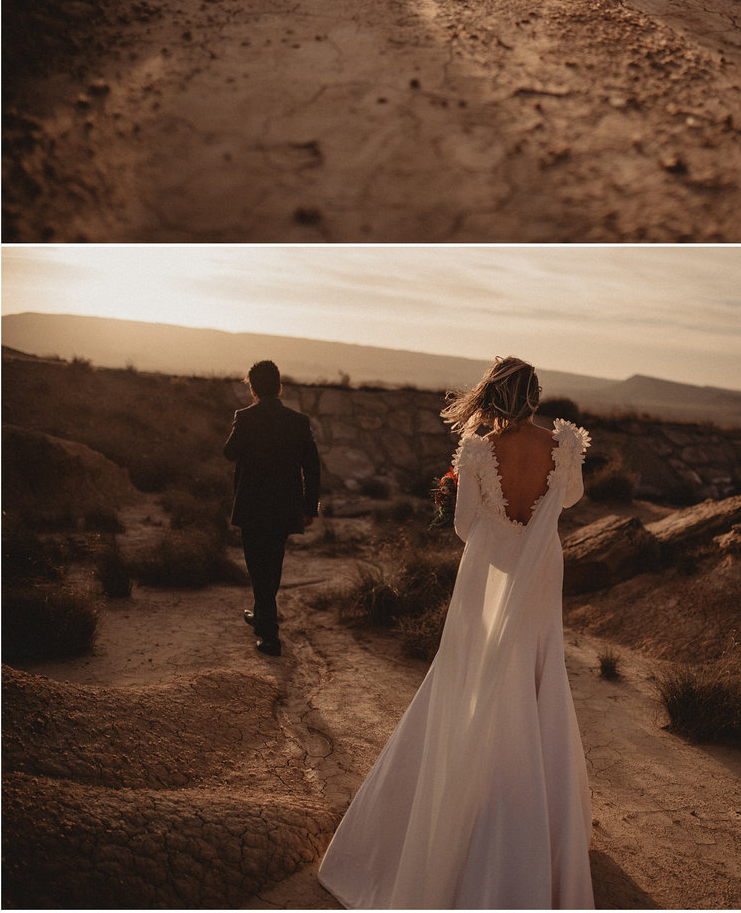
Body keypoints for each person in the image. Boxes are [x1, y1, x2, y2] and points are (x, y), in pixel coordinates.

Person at [317, 356, 594, 908]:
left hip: (489, 574)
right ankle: (538, 820)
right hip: (540, 575)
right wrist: (531, 519)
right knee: (538, 672)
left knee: (480, 674)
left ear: (491, 396)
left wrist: (496, 523)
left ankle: (468, 800)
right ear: (535, 397)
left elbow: (467, 526)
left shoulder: (476, 450)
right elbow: (569, 499)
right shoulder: (563, 442)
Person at [223, 359, 319, 656]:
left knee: (256, 567)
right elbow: (312, 467)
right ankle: (261, 615)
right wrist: (309, 508)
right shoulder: (299, 422)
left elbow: (229, 453)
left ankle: (270, 634)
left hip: (252, 505)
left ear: (252, 389)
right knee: (272, 565)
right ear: (280, 387)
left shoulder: (245, 417)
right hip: (284, 507)